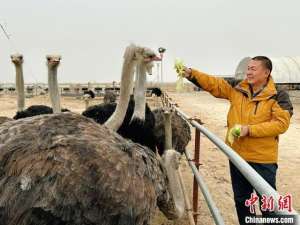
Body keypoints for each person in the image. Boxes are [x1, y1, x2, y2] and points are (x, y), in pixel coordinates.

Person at [180, 56, 293, 225]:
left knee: (268, 205)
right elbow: (215, 84)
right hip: (237, 157)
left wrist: (249, 130)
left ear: (266, 72)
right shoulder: (238, 88)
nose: (248, 72)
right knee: (242, 201)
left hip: (263, 160)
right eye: (248, 68)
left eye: (253, 69)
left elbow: (281, 124)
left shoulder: (278, 95)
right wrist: (191, 74)